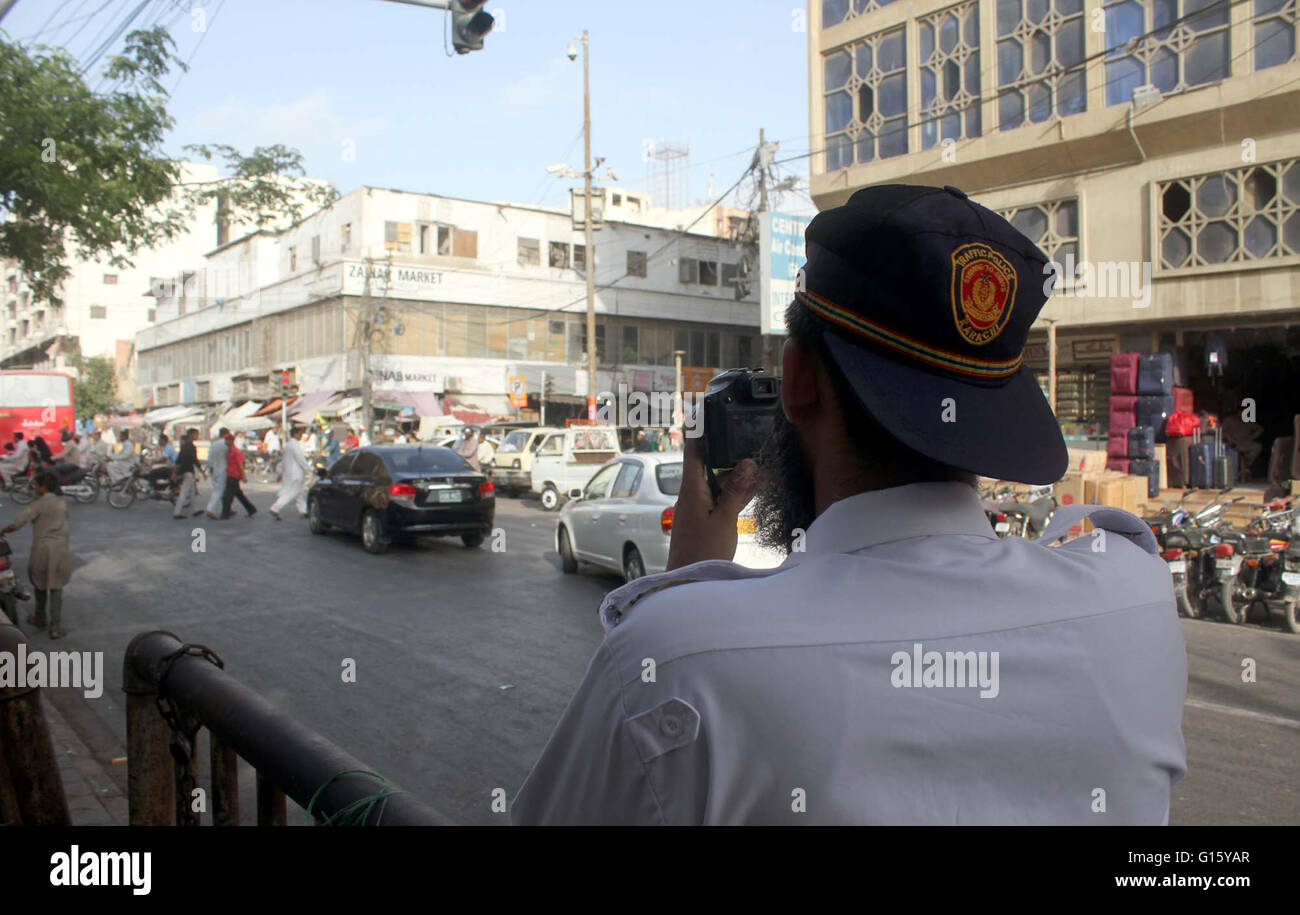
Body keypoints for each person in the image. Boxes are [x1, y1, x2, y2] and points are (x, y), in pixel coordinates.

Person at [511, 184, 1187, 826]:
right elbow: (1098, 533)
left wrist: (686, 581)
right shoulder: (1138, 602)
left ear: (798, 379)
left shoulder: (670, 664)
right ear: (998, 411)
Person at [1, 470, 73, 639]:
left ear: (43, 487)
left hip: (41, 550)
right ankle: (55, 627)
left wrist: (3, 530)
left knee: (39, 586)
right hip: (60, 550)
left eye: (36, 485)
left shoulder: (38, 504)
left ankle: (40, 619)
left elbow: (17, 523)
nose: (35, 488)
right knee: (56, 588)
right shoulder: (62, 503)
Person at [270, 424, 310, 520]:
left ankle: (303, 511)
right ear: (295, 434)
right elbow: (300, 458)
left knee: (299, 493)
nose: (301, 436)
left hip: (290, 473)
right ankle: (275, 508)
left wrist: (280, 472)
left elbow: (284, 461)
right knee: (291, 493)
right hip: (296, 474)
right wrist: (308, 469)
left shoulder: (288, 445)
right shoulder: (295, 445)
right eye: (300, 434)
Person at [221, 431, 256, 519]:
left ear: (231, 441)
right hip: (230, 474)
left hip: (234, 475)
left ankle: (225, 514)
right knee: (239, 495)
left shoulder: (236, 452)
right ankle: (251, 509)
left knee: (227, 496)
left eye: (226, 440)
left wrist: (244, 476)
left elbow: (241, 465)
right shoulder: (228, 451)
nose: (225, 442)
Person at [172, 428, 203, 519]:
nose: (197, 436)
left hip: (185, 471)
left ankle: (195, 510)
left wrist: (175, 472)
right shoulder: (192, 448)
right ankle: (177, 513)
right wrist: (202, 471)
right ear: (191, 435)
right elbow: (195, 461)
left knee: (192, 491)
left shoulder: (184, 446)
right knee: (184, 492)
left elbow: (178, 461)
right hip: (188, 471)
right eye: (196, 434)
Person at [205, 428, 229, 519]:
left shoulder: (214, 444)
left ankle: (226, 508)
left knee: (218, 489)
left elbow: (209, 458)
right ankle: (210, 508)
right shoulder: (226, 444)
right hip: (223, 469)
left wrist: (210, 468)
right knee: (219, 490)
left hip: (214, 469)